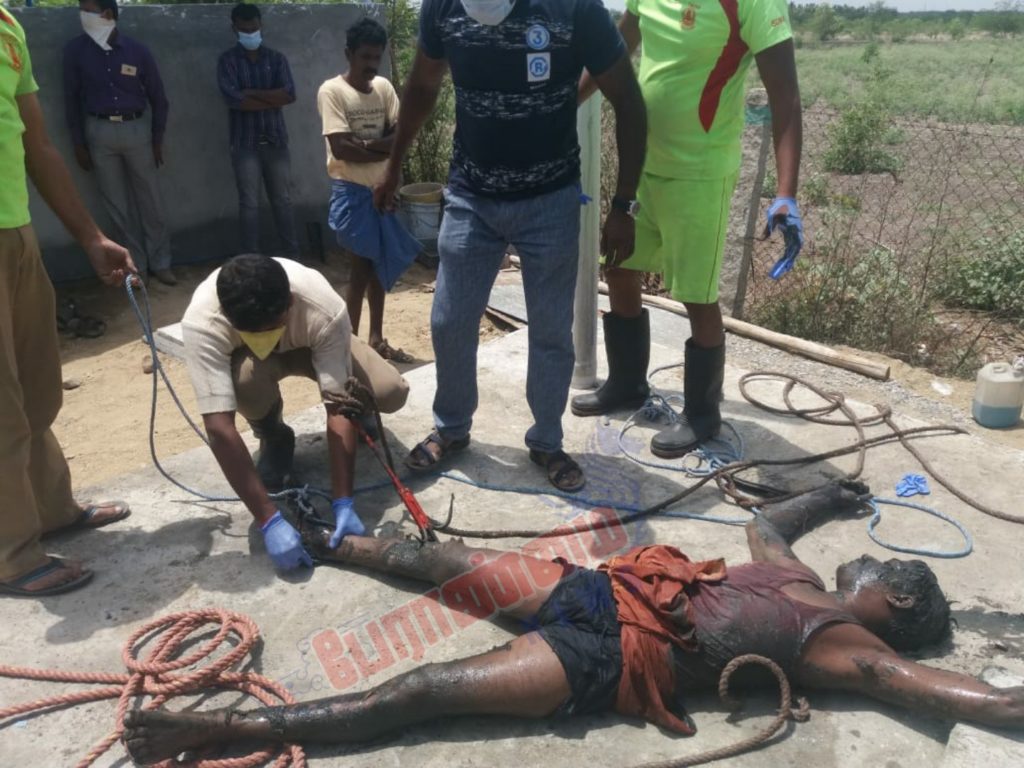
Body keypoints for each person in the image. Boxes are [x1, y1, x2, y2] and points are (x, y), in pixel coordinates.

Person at [120, 479, 1024, 763]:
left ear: (896, 602)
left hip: (616, 660)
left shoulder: (850, 649)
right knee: (444, 562)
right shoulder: (798, 574)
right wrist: (829, 492)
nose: (858, 560)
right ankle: (327, 539)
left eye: (874, 568)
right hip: (603, 594)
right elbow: (770, 523)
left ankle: (222, 729)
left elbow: (977, 699)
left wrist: (1005, 700)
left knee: (427, 689)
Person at [374, 0, 648, 494]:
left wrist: (623, 205)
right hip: (471, 198)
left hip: (551, 201)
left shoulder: (573, 9)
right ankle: (452, 427)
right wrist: (394, 164)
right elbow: (422, 86)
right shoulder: (444, 7)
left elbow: (628, 100)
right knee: (449, 320)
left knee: (551, 331)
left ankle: (546, 440)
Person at [570, 0, 804, 460]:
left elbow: (786, 97)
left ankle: (701, 413)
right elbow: (614, 49)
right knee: (619, 266)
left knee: (696, 294)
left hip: (700, 172)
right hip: (642, 161)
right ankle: (627, 383)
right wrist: (563, 104)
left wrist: (786, 193)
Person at [1, 6, 135, 597]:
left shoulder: (7, 25)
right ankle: (12, 554)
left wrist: (90, 236)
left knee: (37, 388)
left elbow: (37, 143)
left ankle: (52, 508)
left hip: (16, 232)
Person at [179, 254, 410, 572]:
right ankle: (273, 435)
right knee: (243, 385)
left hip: (315, 338)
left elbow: (337, 405)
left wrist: (343, 500)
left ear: (289, 302)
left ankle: (363, 417)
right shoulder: (202, 323)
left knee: (389, 391)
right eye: (252, 332)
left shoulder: (323, 307)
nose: (264, 336)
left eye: (271, 328)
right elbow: (219, 428)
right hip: (254, 362)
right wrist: (268, 520)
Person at [318, 17, 420, 363]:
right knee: (360, 267)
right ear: (349, 54)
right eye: (365, 57)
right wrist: (384, 147)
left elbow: (401, 137)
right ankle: (350, 346)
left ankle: (375, 339)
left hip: (382, 190)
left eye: (377, 57)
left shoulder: (384, 88)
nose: (372, 64)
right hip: (352, 192)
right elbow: (341, 148)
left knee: (379, 265)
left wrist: (365, 144)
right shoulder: (332, 92)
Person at [63, 0, 176, 285]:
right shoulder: (76, 51)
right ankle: (135, 268)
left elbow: (159, 98)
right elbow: (71, 101)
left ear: (108, 14)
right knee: (116, 205)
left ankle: (161, 262)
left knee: (150, 199)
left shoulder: (137, 51)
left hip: (136, 129)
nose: (83, 16)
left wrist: (157, 139)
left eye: (88, 10)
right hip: (99, 130)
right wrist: (78, 143)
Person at [217, 3, 299, 258]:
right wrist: (270, 97)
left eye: (254, 28)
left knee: (283, 201)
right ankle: (251, 259)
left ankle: (292, 257)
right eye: (245, 30)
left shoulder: (276, 59)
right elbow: (234, 101)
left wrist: (251, 93)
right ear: (234, 29)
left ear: (261, 25)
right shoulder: (228, 61)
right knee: (249, 204)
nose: (250, 34)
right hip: (245, 145)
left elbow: (289, 95)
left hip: (276, 141)